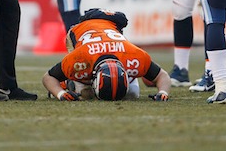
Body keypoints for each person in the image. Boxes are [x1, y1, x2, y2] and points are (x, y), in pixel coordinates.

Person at [42, 8, 171, 101]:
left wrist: (163, 92)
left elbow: (161, 76)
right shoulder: (80, 58)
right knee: (84, 93)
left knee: (132, 93)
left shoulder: (134, 56)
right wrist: (61, 93)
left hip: (109, 36)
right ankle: (68, 82)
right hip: (80, 31)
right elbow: (48, 77)